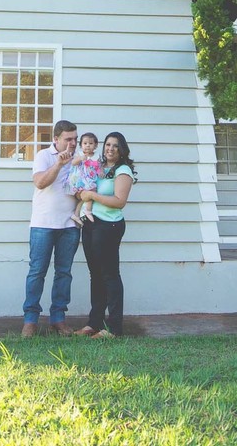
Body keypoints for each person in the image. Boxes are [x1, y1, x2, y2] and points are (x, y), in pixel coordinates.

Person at [74, 131, 137, 338]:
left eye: (115, 146)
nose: (110, 149)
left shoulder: (123, 170)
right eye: (108, 144)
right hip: (91, 223)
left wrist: (91, 195)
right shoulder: (99, 167)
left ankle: (113, 328)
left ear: (122, 150)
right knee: (96, 275)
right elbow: (85, 183)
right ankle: (94, 322)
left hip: (109, 227)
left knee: (110, 275)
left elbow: (119, 201)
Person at [22, 120, 81, 338]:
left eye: (75, 138)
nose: (73, 143)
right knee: (37, 272)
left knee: (64, 273)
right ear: (56, 139)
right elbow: (39, 182)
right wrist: (58, 164)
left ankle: (58, 319)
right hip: (42, 224)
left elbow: (82, 188)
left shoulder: (79, 158)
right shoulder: (43, 156)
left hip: (70, 225)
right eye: (68, 139)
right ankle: (30, 320)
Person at [63, 132, 102, 227]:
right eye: (85, 143)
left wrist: (101, 171)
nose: (87, 146)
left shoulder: (97, 156)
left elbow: (99, 166)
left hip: (90, 178)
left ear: (96, 145)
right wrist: (80, 158)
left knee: (87, 196)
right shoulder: (79, 154)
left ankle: (76, 214)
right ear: (81, 145)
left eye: (90, 143)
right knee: (90, 193)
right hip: (80, 179)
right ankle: (87, 210)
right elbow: (73, 163)